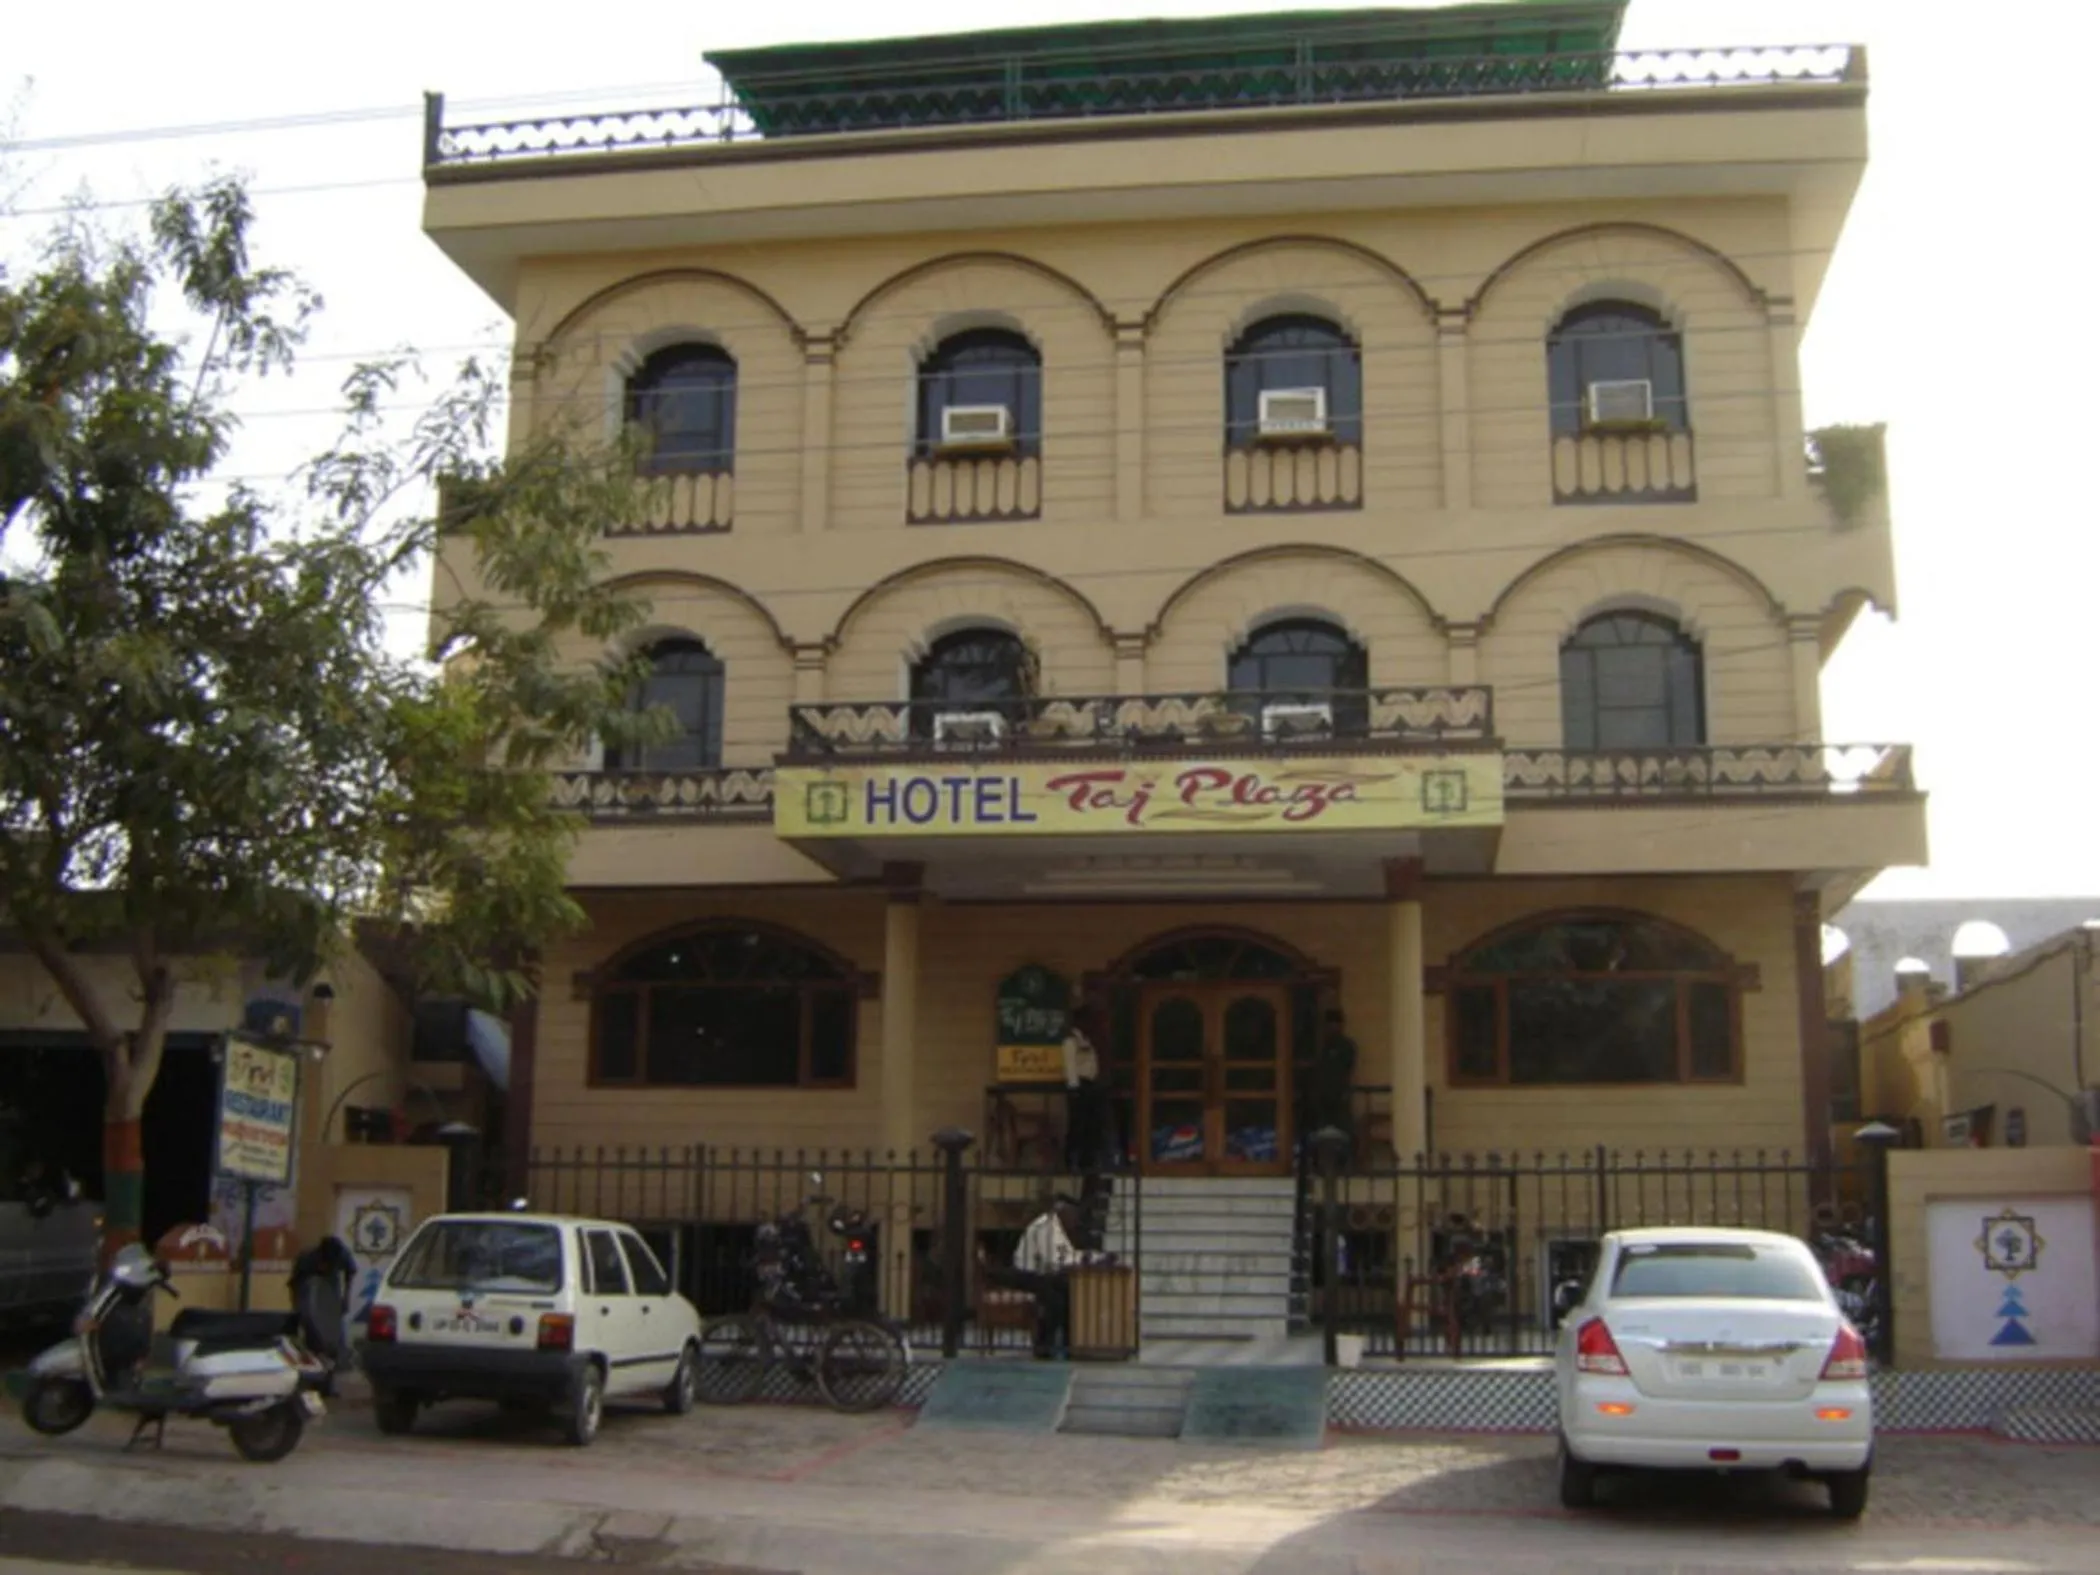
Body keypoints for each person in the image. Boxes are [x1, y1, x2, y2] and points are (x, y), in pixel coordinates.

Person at [1008, 1193, 1101, 1358]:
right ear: (1063, 1211)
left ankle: (1070, 1342)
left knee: (1068, 1292)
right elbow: (1052, 1260)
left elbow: (1066, 1255)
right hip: (1027, 1274)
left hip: (1045, 1274)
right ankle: (1044, 1345)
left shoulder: (1058, 1228)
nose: (1075, 1220)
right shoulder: (1045, 1226)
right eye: (1073, 1215)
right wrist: (1078, 1260)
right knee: (1056, 1299)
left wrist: (1086, 1257)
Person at [1061, 1004, 1110, 1172]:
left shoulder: (1086, 1039)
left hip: (1090, 1084)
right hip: (1078, 1086)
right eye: (1087, 1020)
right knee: (1077, 1125)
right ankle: (1071, 1160)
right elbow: (1070, 1065)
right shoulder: (1071, 1040)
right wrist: (1074, 1088)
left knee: (1091, 1125)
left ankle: (1086, 1160)